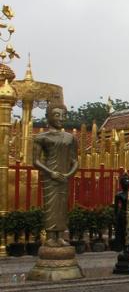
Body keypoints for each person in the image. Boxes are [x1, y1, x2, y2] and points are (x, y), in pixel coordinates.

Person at [32, 104, 78, 245]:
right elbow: (35, 161)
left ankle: (60, 236)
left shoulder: (70, 138)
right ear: (48, 117)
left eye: (63, 115)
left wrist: (69, 174)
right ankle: (51, 236)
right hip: (49, 177)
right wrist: (50, 172)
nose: (61, 118)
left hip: (63, 178)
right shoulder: (41, 137)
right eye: (57, 115)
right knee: (51, 206)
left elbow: (75, 161)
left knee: (62, 206)